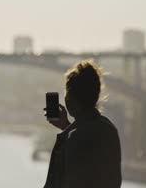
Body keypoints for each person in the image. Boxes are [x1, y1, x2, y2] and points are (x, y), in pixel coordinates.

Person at [43, 60, 121, 188]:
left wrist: (67, 132)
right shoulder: (109, 130)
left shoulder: (72, 140)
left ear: (70, 99)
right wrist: (67, 126)